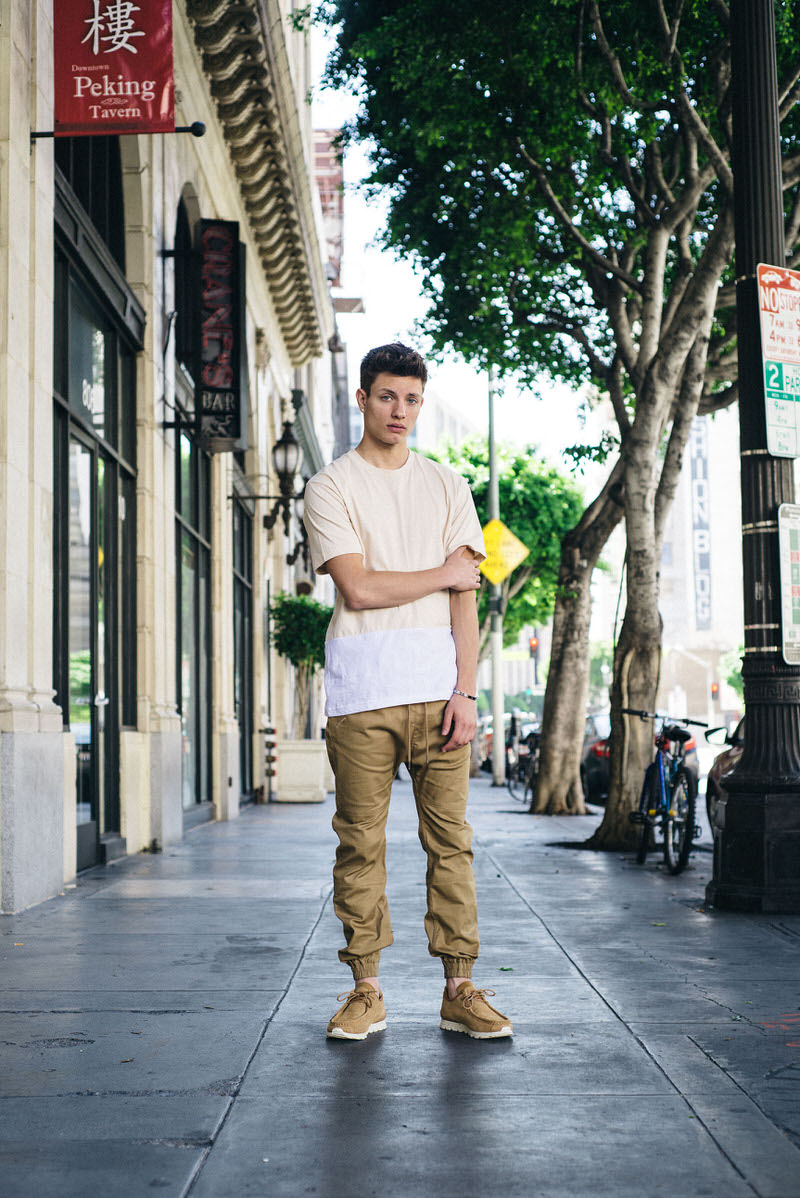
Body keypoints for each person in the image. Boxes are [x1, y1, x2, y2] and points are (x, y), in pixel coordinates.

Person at [303, 342, 512, 1041]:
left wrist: (468, 693)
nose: (401, 411)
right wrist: (442, 572)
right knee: (360, 844)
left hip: (438, 694)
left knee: (451, 844)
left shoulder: (448, 485)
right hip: (362, 693)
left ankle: (460, 988)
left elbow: (467, 598)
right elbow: (358, 587)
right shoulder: (330, 486)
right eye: (388, 396)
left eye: (413, 399)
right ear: (363, 399)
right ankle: (366, 989)